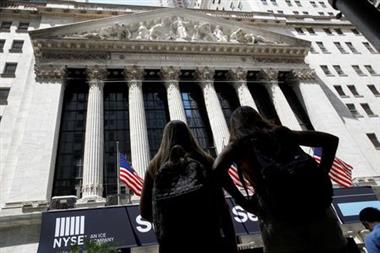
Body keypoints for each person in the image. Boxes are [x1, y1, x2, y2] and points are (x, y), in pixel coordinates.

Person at [213, 106, 348, 253]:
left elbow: (216, 169)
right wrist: (322, 173)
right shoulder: (281, 133)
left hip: (278, 217)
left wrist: (242, 200)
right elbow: (330, 140)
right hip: (316, 208)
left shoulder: (240, 144)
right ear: (258, 118)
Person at [140, 120, 237, 253]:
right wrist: (231, 241)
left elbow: (145, 212)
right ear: (189, 135)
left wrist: (170, 223)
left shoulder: (154, 166)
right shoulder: (206, 160)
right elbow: (221, 205)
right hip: (208, 238)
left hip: (173, 243)